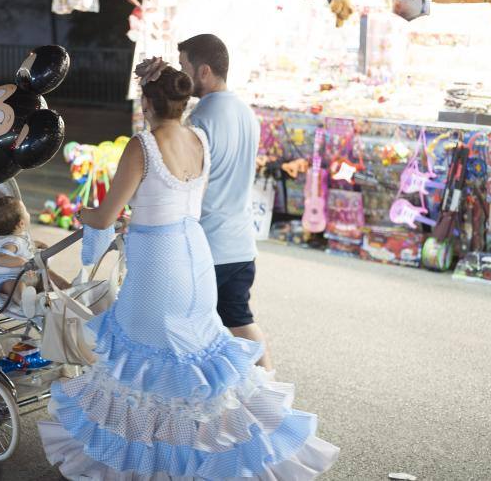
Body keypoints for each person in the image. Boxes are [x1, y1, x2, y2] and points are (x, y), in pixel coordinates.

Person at [38, 59, 338, 479]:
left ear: (146, 100)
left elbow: (106, 216)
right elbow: (172, 201)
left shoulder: (142, 144)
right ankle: (214, 452)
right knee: (195, 358)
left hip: (159, 263)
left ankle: (154, 462)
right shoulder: (198, 138)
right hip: (195, 256)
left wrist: (86, 215)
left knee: (145, 366)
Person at [178, 33, 273, 370]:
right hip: (240, 242)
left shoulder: (201, 119)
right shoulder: (246, 112)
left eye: (183, 67)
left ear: (203, 71)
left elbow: (190, 183)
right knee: (240, 320)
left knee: (186, 326)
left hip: (208, 243)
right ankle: (270, 390)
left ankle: (200, 400)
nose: (180, 76)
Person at [0, 196, 70, 310]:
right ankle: (24, 302)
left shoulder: (21, 235)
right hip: (10, 276)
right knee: (13, 286)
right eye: (26, 211)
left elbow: (27, 244)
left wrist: (38, 244)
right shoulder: (10, 243)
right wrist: (21, 262)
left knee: (48, 273)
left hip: (29, 274)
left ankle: (68, 288)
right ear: (21, 223)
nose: (28, 213)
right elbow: (0, 258)